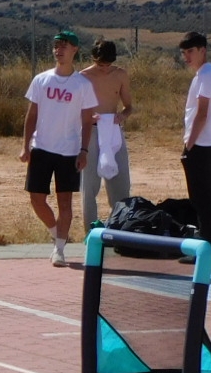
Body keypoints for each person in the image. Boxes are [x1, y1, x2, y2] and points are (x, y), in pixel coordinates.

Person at [19, 31, 99, 267]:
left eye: (64, 46)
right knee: (36, 199)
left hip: (69, 151)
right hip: (42, 148)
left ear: (75, 50)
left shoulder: (82, 84)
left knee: (65, 203)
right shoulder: (41, 80)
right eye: (56, 46)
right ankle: (56, 232)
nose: (59, 50)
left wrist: (84, 150)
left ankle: (60, 250)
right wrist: (25, 146)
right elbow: (32, 114)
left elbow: (87, 121)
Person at [79, 39, 134, 228]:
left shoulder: (120, 75)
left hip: (112, 129)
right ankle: (90, 229)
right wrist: (88, 116)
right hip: (90, 130)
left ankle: (121, 226)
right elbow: (75, 108)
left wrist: (122, 116)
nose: (104, 68)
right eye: (100, 64)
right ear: (93, 59)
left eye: (108, 64)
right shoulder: (83, 77)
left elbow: (128, 106)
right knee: (89, 184)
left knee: (121, 181)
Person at [180, 31, 211, 238]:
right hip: (202, 143)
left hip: (202, 145)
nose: (187, 57)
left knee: (202, 199)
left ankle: (206, 244)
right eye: (184, 53)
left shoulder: (207, 74)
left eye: (190, 51)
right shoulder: (201, 75)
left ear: (202, 50)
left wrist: (189, 146)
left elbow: (202, 114)